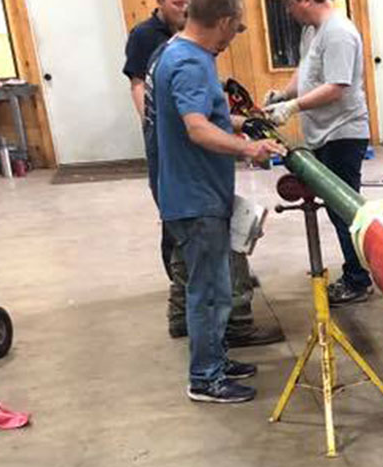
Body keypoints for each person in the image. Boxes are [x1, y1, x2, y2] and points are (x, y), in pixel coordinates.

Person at [152, 0, 285, 403]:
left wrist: (245, 123)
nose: (233, 38)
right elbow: (197, 129)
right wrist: (249, 149)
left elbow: (200, 116)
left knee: (217, 286)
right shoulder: (191, 63)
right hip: (196, 198)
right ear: (224, 22)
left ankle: (215, 359)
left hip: (194, 191)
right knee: (208, 291)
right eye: (236, 30)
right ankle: (205, 378)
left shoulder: (175, 52)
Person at [264, 0, 373, 305]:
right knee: (337, 208)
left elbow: (336, 87)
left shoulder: (338, 33)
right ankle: (355, 272)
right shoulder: (313, 32)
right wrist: (283, 94)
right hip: (323, 133)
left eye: (289, 4)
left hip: (342, 133)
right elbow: (306, 70)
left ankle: (358, 279)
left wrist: (293, 107)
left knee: (345, 210)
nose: (287, 11)